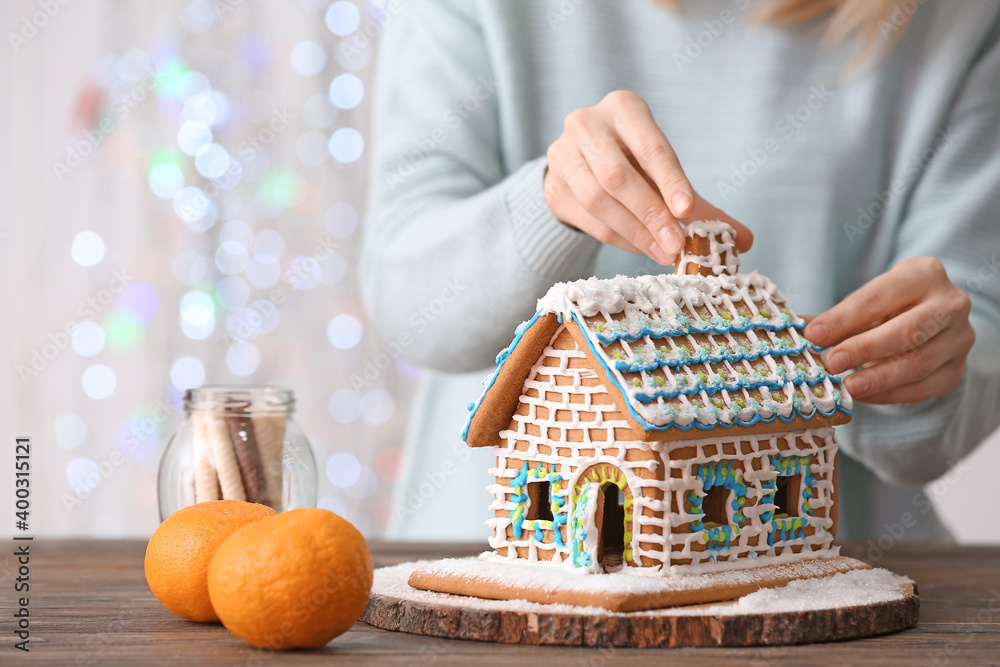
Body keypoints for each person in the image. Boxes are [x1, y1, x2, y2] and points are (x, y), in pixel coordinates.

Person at [360, 0, 1000, 543]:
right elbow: (407, 300)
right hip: (485, 565)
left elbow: (960, 367)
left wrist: (921, 368)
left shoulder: (960, 20)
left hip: (840, 579)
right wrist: (550, 202)